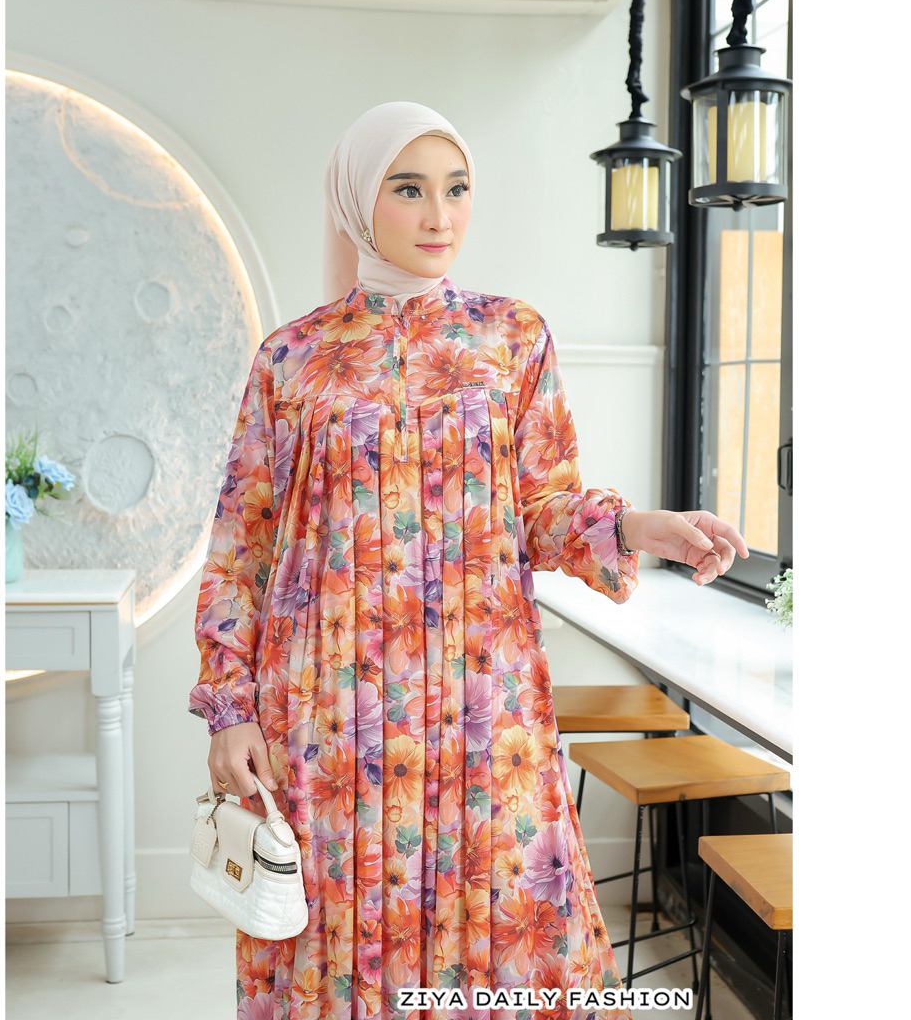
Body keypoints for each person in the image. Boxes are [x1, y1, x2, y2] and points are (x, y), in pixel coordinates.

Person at [189, 101, 747, 1020]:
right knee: (338, 942)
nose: (439, 215)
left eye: (456, 189)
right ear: (359, 201)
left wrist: (640, 527)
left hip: (481, 706)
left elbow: (542, 509)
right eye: (409, 190)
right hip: (327, 717)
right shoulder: (291, 360)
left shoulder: (512, 337)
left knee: (508, 928)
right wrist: (229, 708)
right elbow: (239, 548)